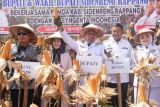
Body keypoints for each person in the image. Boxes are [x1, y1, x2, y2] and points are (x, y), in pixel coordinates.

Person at [9, 23, 41, 107]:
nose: (21, 35)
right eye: (19, 33)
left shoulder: (35, 49)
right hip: (14, 86)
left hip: (29, 86)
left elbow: (39, 67)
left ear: (29, 35)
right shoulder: (11, 48)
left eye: (24, 33)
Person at [103, 23, 134, 107]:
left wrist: (132, 72)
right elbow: (102, 61)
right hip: (110, 79)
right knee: (109, 103)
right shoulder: (105, 44)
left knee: (122, 101)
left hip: (123, 79)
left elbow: (131, 60)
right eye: (114, 31)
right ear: (111, 32)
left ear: (122, 32)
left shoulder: (127, 44)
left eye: (118, 31)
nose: (116, 33)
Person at [44, 31, 72, 107]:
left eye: (58, 41)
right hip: (50, 84)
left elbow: (70, 70)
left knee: (61, 103)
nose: (56, 43)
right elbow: (44, 68)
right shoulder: (49, 54)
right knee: (51, 103)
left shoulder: (67, 55)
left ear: (62, 42)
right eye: (54, 41)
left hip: (62, 85)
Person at [133, 28, 160, 105]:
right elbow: (135, 62)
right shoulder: (137, 49)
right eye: (142, 37)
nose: (145, 39)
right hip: (140, 82)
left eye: (147, 36)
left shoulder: (157, 47)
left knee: (155, 103)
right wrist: (134, 48)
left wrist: (157, 47)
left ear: (152, 37)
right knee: (140, 104)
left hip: (155, 82)